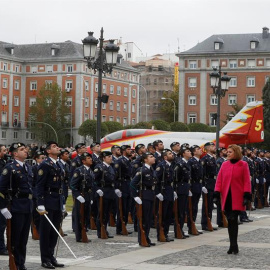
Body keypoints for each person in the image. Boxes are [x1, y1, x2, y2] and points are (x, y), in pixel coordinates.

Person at [0, 143, 33, 270]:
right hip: (16, 206)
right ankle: (14, 263)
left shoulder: (28, 167)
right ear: (14, 153)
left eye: (25, 149)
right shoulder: (10, 168)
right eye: (21, 150)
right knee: (15, 238)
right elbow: (1, 188)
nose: (25, 151)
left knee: (24, 239)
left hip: (27, 206)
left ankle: (21, 263)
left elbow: (31, 187)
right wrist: (2, 207)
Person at [214, 144, 251, 255]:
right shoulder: (224, 165)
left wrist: (246, 195)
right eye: (227, 152)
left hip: (237, 196)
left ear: (236, 152)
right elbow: (219, 179)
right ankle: (233, 244)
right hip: (227, 196)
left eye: (230, 152)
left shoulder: (243, 164)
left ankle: (233, 245)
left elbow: (246, 181)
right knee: (230, 221)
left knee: (233, 219)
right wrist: (216, 193)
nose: (228, 154)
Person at [36, 141, 65, 269]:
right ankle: (45, 258)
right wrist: (40, 203)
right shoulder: (45, 164)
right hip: (48, 200)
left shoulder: (59, 164)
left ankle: (51, 256)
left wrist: (62, 202)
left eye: (57, 146)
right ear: (48, 151)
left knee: (54, 231)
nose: (57, 148)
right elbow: (40, 185)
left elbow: (62, 185)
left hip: (57, 199)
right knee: (46, 232)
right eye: (54, 147)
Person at [130, 152, 157, 247]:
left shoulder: (151, 169)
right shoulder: (142, 170)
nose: (153, 158)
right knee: (144, 219)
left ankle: (146, 237)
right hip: (144, 196)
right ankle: (142, 238)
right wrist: (135, 196)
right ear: (145, 159)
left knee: (149, 219)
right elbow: (132, 184)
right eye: (151, 156)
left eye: (153, 156)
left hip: (150, 195)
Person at [70, 152, 94, 242]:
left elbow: (92, 186)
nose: (90, 159)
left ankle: (84, 232)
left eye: (90, 158)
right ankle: (79, 236)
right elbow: (72, 185)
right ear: (83, 161)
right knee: (79, 216)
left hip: (87, 196)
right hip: (81, 195)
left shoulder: (90, 171)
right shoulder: (79, 170)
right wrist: (78, 196)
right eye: (88, 158)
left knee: (86, 216)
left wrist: (91, 197)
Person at [0, 144, 8, 256]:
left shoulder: (4, 162)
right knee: (1, 225)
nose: (6, 152)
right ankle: (1, 247)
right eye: (3, 150)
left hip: (4, 197)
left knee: (3, 224)